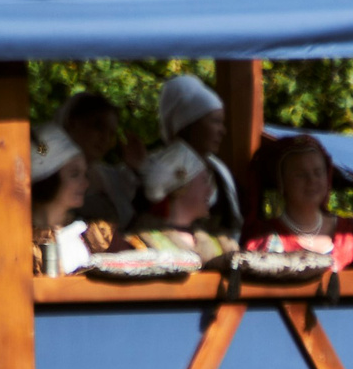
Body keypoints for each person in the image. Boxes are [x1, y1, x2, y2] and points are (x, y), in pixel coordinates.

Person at [241, 135, 353, 271]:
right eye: (301, 175)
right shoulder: (268, 237)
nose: (312, 181)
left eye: (318, 172)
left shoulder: (350, 233)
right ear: (281, 183)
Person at [120, 142, 233, 264]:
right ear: (180, 188)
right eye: (204, 181)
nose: (210, 190)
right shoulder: (141, 243)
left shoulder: (222, 244)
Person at [156, 73, 240, 233]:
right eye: (215, 121)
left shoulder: (220, 173)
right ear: (190, 125)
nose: (222, 131)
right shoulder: (160, 170)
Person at [28, 125, 104, 275]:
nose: (85, 183)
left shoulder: (97, 235)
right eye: (75, 174)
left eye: (84, 173)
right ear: (49, 179)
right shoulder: (17, 239)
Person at [58, 91, 139, 229]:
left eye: (111, 133)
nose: (105, 138)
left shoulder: (110, 178)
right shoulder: (47, 174)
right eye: (98, 127)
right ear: (72, 123)